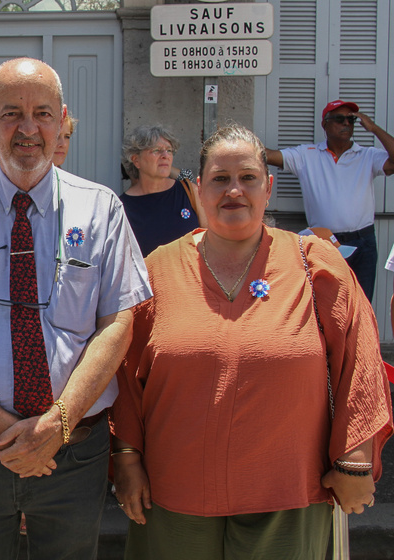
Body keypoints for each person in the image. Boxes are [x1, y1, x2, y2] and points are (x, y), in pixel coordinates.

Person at [110, 125, 393, 560]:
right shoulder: (158, 269)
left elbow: (360, 360)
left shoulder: (315, 263)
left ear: (269, 187)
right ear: (199, 189)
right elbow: (126, 372)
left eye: (247, 178)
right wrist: (126, 458)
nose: (234, 191)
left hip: (290, 491)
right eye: (220, 179)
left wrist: (355, 458)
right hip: (173, 495)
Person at [0, 57, 151, 559]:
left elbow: (117, 326)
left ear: (62, 119)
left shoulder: (101, 209)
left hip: (73, 456)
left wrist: (56, 425)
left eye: (42, 113)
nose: (28, 128)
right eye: (11, 113)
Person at [266, 100, 394, 301]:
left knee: (361, 303)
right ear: (324, 124)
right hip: (325, 243)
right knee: (325, 304)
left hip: (363, 244)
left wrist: (374, 128)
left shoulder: (367, 155)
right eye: (339, 119)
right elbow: (268, 156)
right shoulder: (307, 155)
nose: (346, 124)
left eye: (350, 120)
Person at [120, 125, 206, 257]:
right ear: (136, 160)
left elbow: (212, 239)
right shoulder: (121, 207)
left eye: (169, 150)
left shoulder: (190, 192)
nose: (165, 155)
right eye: (156, 150)